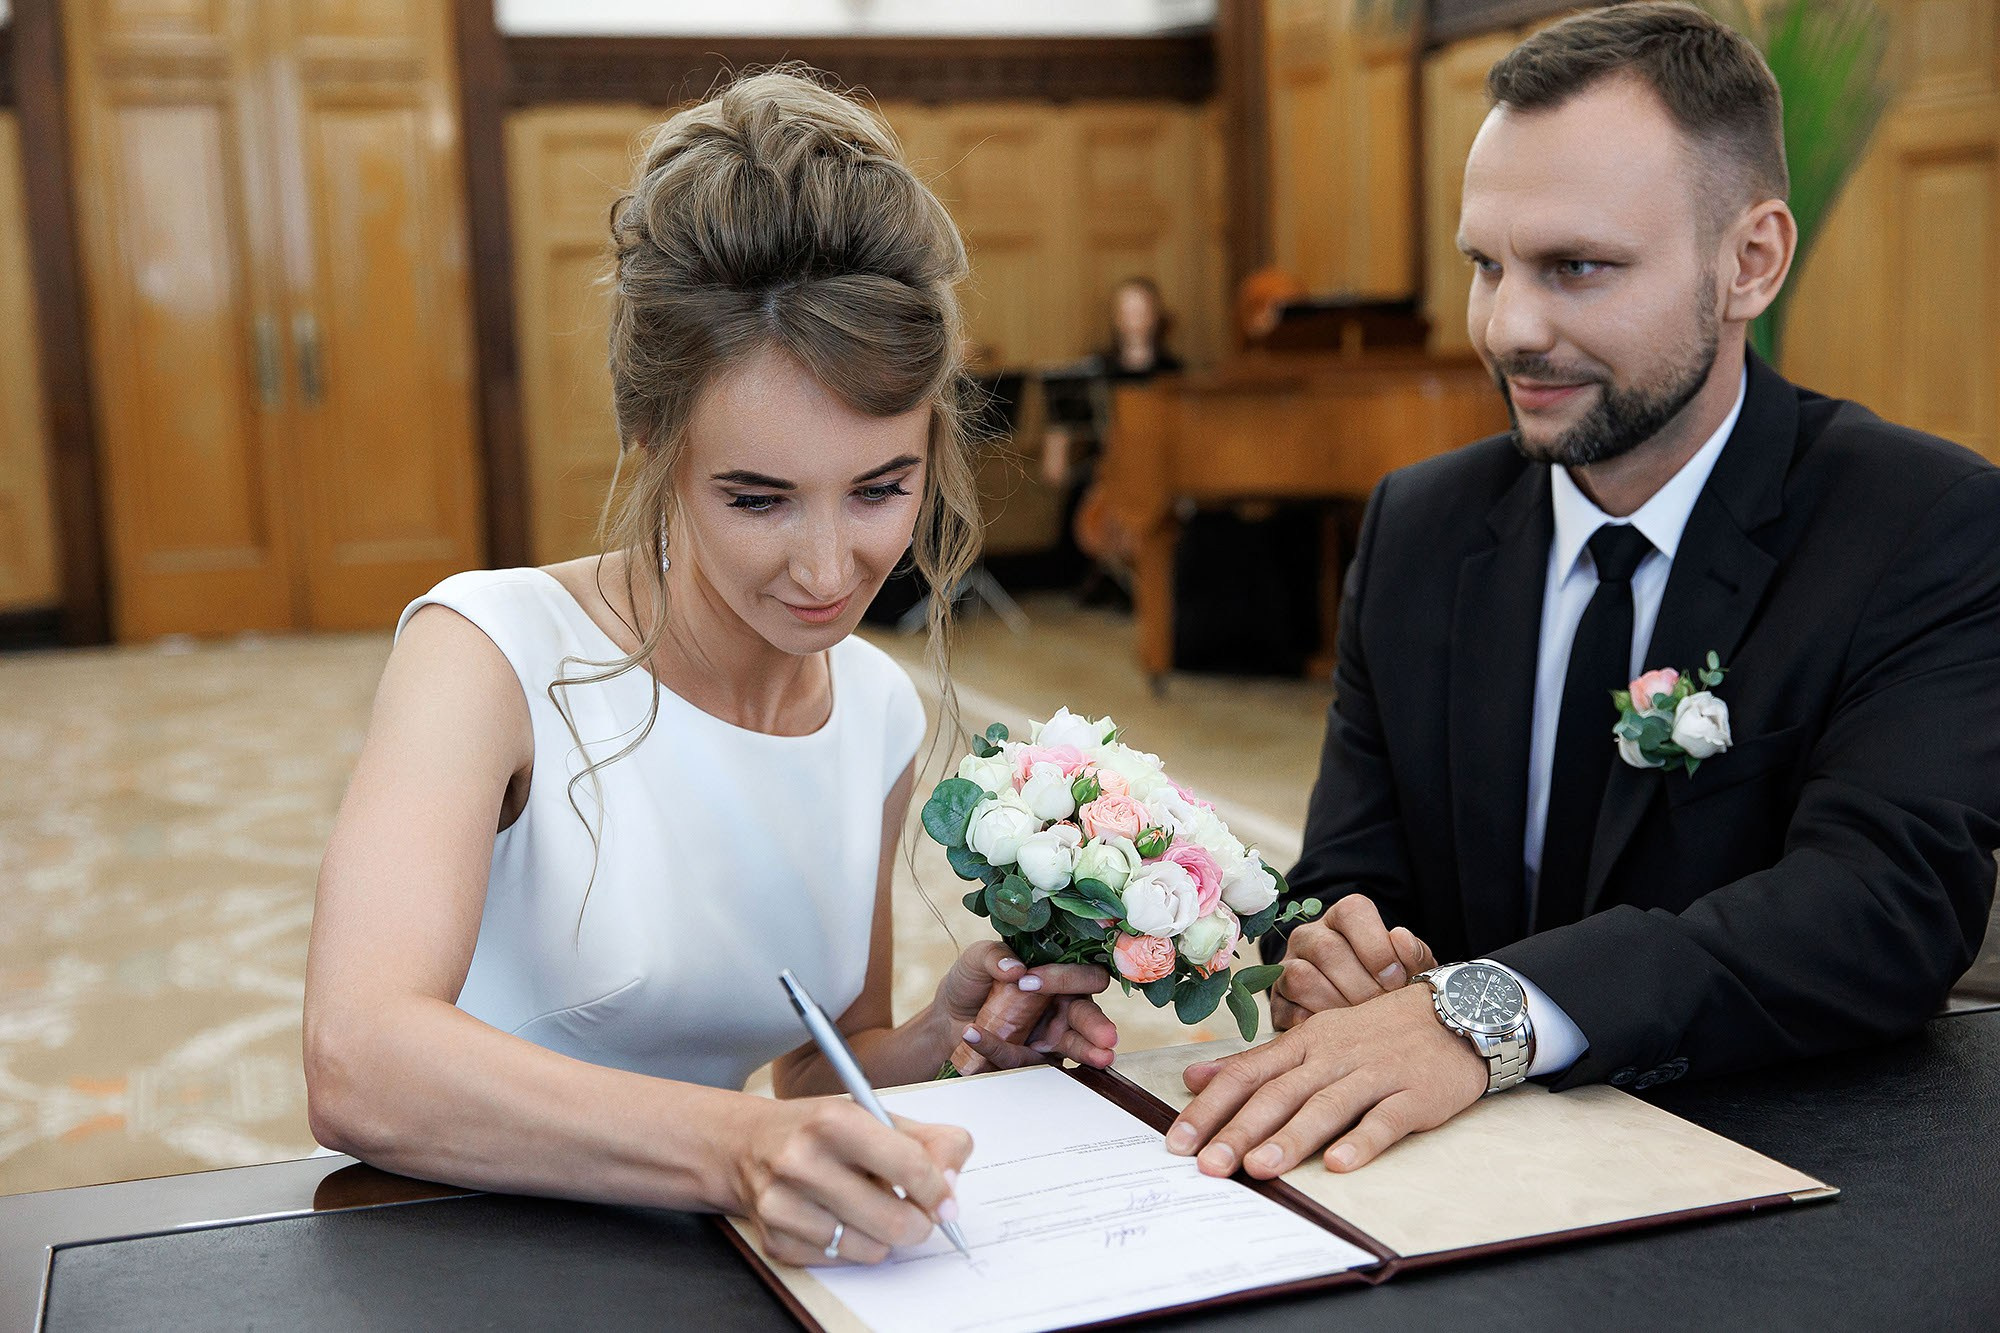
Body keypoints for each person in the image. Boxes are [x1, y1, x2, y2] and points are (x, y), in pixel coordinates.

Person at [1166, 3, 2000, 1182]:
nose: (1508, 327)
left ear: (1747, 261)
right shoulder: (1417, 526)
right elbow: (1354, 869)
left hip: (1778, 1185)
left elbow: (1879, 913)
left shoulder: (1919, 525)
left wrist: (1487, 1013)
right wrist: (1330, 946)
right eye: (1484, 266)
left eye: (1577, 268)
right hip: (1450, 1184)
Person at [302, 69, 1117, 1271]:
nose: (829, 568)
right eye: (757, 497)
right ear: (652, 446)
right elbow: (357, 1061)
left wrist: (949, 1037)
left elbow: (811, 1067)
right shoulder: (488, 651)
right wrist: (736, 1150)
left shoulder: (875, 709)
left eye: (881, 488)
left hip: (706, 1264)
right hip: (459, 1253)